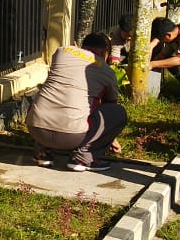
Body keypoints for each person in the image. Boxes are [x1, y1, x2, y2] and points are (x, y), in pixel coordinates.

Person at [26, 33, 128, 172]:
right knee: (118, 113)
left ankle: (43, 152)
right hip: (72, 136)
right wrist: (109, 137)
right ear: (105, 53)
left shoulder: (62, 52)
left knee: (50, 97)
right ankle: (82, 158)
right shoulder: (107, 71)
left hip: (35, 128)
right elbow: (110, 104)